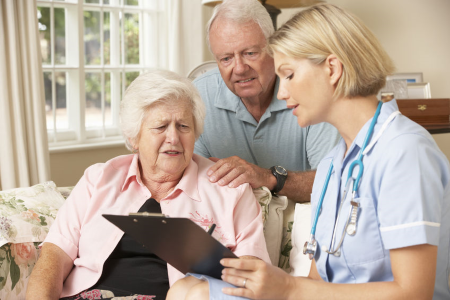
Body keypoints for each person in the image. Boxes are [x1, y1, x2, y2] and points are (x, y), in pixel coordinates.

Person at [217, 3, 450, 300]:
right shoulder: (331, 165)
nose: (281, 93)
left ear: (332, 68)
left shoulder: (405, 152)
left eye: (288, 75)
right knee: (190, 289)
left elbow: (413, 292)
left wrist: (287, 288)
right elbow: (318, 283)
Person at [26, 70, 270, 300]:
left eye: (183, 126)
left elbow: (254, 277)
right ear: (134, 138)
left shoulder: (230, 190)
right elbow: (54, 255)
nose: (173, 138)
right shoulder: (98, 179)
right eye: (160, 127)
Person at [193, 0, 340, 203]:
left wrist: (269, 178)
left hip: (303, 224)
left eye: (250, 53)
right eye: (226, 58)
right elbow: (188, 181)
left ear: (274, 47)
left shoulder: (310, 89)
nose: (239, 68)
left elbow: (335, 181)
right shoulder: (197, 95)